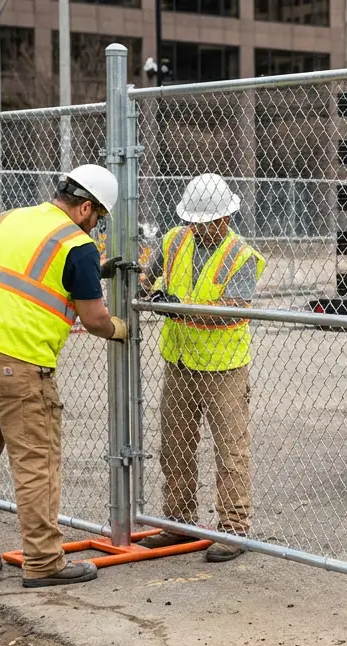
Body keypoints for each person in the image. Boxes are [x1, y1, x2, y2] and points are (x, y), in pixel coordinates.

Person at [0, 165, 128, 587]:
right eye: (98, 217)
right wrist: (123, 329)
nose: (96, 227)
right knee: (36, 463)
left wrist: (89, 272)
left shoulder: (5, 220)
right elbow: (96, 318)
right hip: (18, 361)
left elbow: (25, 270)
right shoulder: (77, 245)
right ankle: (45, 562)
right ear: (85, 207)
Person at [137, 173, 265, 563]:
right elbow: (147, 277)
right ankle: (178, 522)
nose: (196, 227)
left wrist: (174, 304)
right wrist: (141, 285)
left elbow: (232, 310)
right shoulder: (175, 240)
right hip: (180, 362)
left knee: (231, 451)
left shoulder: (241, 256)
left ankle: (233, 527)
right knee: (175, 447)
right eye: (192, 220)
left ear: (225, 219)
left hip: (225, 366)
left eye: (203, 221)